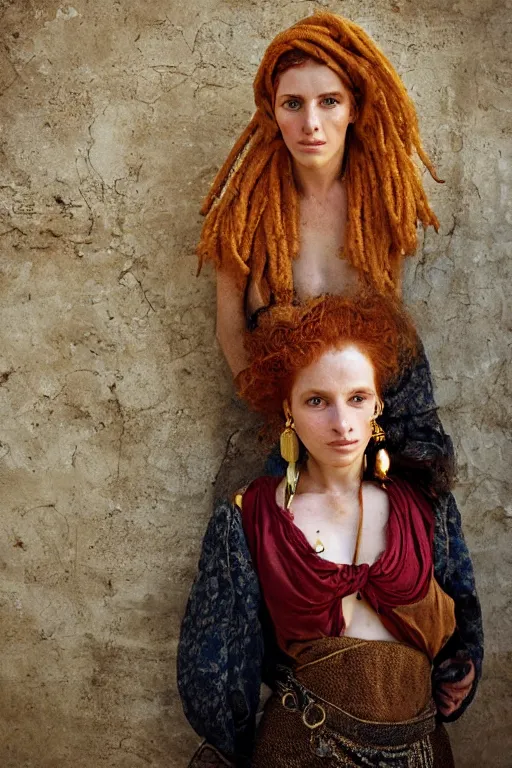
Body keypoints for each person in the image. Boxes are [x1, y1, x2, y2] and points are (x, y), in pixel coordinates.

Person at [177, 295, 483, 768]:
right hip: (301, 748)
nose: (342, 424)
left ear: (378, 402)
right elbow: (215, 670)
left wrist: (457, 671)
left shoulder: (427, 506)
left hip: (421, 752)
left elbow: (463, 621)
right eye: (317, 401)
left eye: (357, 398)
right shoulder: (248, 515)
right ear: (288, 410)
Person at [196, 11, 443, 376]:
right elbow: (229, 331)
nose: (310, 123)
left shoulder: (383, 205)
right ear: (273, 111)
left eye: (329, 101)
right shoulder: (246, 216)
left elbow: (392, 316)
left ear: (353, 109)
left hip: (391, 407)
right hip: (294, 417)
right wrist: (283, 413)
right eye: (293, 103)